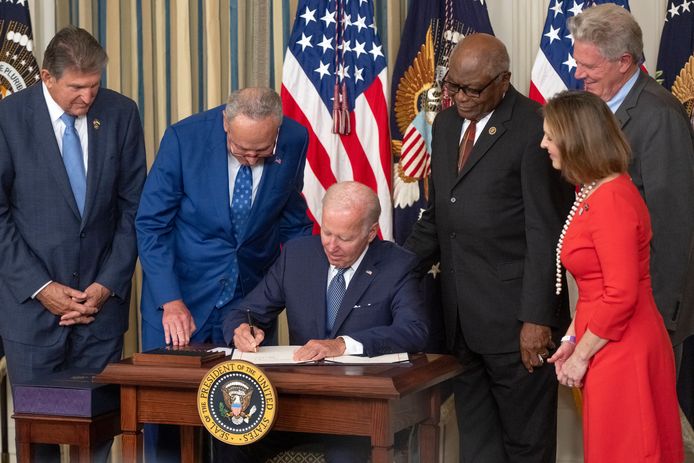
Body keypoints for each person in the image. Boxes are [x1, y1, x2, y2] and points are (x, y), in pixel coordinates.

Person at [404, 33, 572, 463]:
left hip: (517, 324)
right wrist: (390, 271)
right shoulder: (443, 125)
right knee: (477, 445)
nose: (460, 97)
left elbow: (546, 231)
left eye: (472, 89)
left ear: (503, 81)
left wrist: (537, 319)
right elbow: (440, 216)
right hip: (461, 319)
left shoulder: (537, 127)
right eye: (452, 86)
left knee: (526, 446)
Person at [135, 87, 312, 462]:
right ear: (225, 126)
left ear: (277, 131)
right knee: (168, 426)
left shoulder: (296, 139)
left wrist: (293, 294)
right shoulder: (185, 139)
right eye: (241, 149)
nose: (250, 159)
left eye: (261, 152)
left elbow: (293, 220)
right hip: (180, 300)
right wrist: (170, 301)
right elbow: (151, 224)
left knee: (243, 421)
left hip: (247, 303)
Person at [0, 26, 146, 461]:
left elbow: (134, 208)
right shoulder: (8, 118)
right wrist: (42, 288)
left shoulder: (121, 113)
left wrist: (105, 285)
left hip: (100, 308)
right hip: (31, 311)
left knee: (98, 431)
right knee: (39, 435)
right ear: (46, 77)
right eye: (77, 88)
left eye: (95, 85)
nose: (88, 97)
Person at [224, 181, 428, 463]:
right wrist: (241, 329)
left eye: (344, 238)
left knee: (343, 455)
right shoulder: (298, 255)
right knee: (233, 436)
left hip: (363, 409)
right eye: (326, 232)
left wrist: (342, 345)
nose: (331, 246)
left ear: (370, 233)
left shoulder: (397, 265)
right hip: (298, 404)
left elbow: (414, 330)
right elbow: (246, 311)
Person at [543, 90, 683, 463]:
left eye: (550, 136)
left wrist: (581, 356)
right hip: (604, 340)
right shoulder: (592, 191)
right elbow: (595, 289)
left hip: (624, 347)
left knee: (628, 450)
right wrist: (573, 339)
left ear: (576, 139)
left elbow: (620, 294)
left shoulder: (612, 200)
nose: (544, 145)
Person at [569, 3, 694, 350]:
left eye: (589, 65)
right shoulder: (598, 105)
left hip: (644, 310)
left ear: (624, 62)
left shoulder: (659, 116)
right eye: (577, 62)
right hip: (609, 301)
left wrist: (658, 314)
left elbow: (672, 228)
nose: (579, 73)